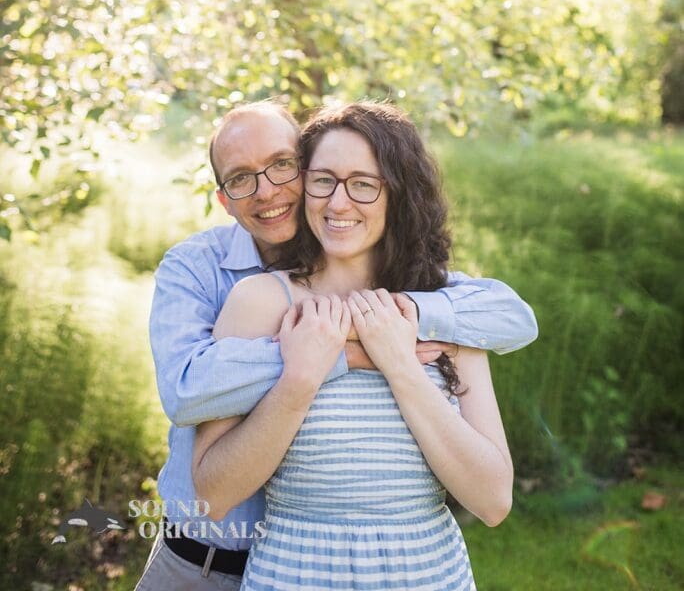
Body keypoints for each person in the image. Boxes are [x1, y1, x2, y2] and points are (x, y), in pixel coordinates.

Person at [136, 100, 537, 590]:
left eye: (364, 184)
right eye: (324, 180)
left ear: (400, 194)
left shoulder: (446, 312)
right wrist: (305, 374)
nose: (338, 202)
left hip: (429, 575)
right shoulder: (253, 300)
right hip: (272, 571)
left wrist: (397, 359)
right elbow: (212, 484)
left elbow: (494, 502)